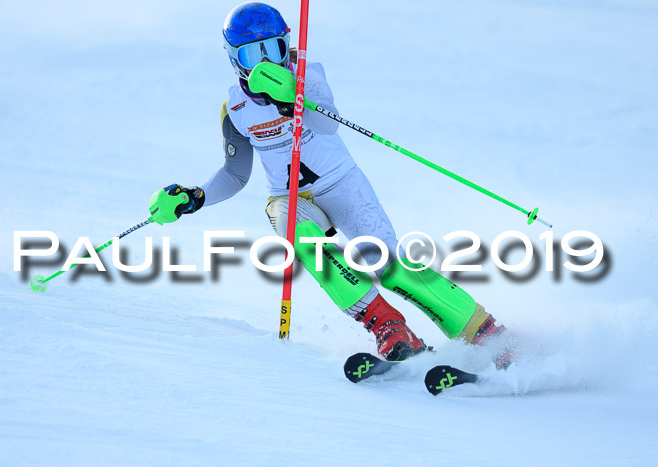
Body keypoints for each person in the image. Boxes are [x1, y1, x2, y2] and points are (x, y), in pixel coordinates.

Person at [153, 2, 510, 367]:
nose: (265, 63)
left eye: (273, 49)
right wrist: (196, 197)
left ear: (286, 45)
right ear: (233, 58)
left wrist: (295, 99)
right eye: (252, 54)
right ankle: (388, 326)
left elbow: (329, 125)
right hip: (289, 196)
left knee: (388, 264)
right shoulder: (235, 110)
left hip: (341, 182)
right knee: (299, 235)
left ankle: (483, 331)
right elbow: (235, 174)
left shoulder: (308, 74)